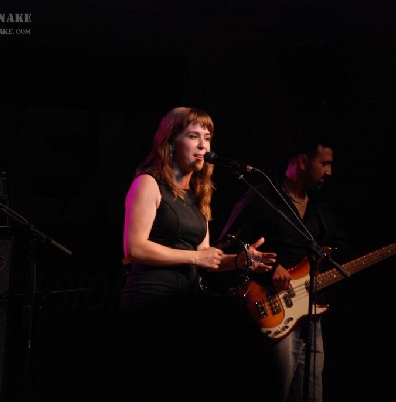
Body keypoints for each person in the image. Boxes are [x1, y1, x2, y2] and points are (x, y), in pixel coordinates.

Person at [215, 131, 396, 402]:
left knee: (312, 394)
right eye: (325, 163)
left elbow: (349, 258)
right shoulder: (261, 197)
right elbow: (226, 247)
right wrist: (269, 267)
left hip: (311, 313)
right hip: (270, 309)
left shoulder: (320, 210)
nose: (330, 171)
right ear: (303, 161)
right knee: (275, 389)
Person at [114, 106, 276, 401]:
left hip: (185, 306)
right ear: (171, 142)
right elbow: (134, 247)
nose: (203, 145)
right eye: (193, 136)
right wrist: (194, 258)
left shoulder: (196, 196)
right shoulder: (148, 184)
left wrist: (240, 261)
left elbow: (205, 255)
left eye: (207, 137)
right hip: (149, 303)